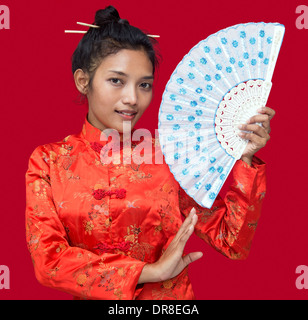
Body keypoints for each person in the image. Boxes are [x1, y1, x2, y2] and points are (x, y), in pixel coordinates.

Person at [25, 5, 275, 300]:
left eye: (144, 85)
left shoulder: (171, 155)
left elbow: (231, 241)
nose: (132, 99)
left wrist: (245, 159)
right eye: (116, 81)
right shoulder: (49, 161)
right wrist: (151, 272)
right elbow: (49, 262)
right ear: (83, 81)